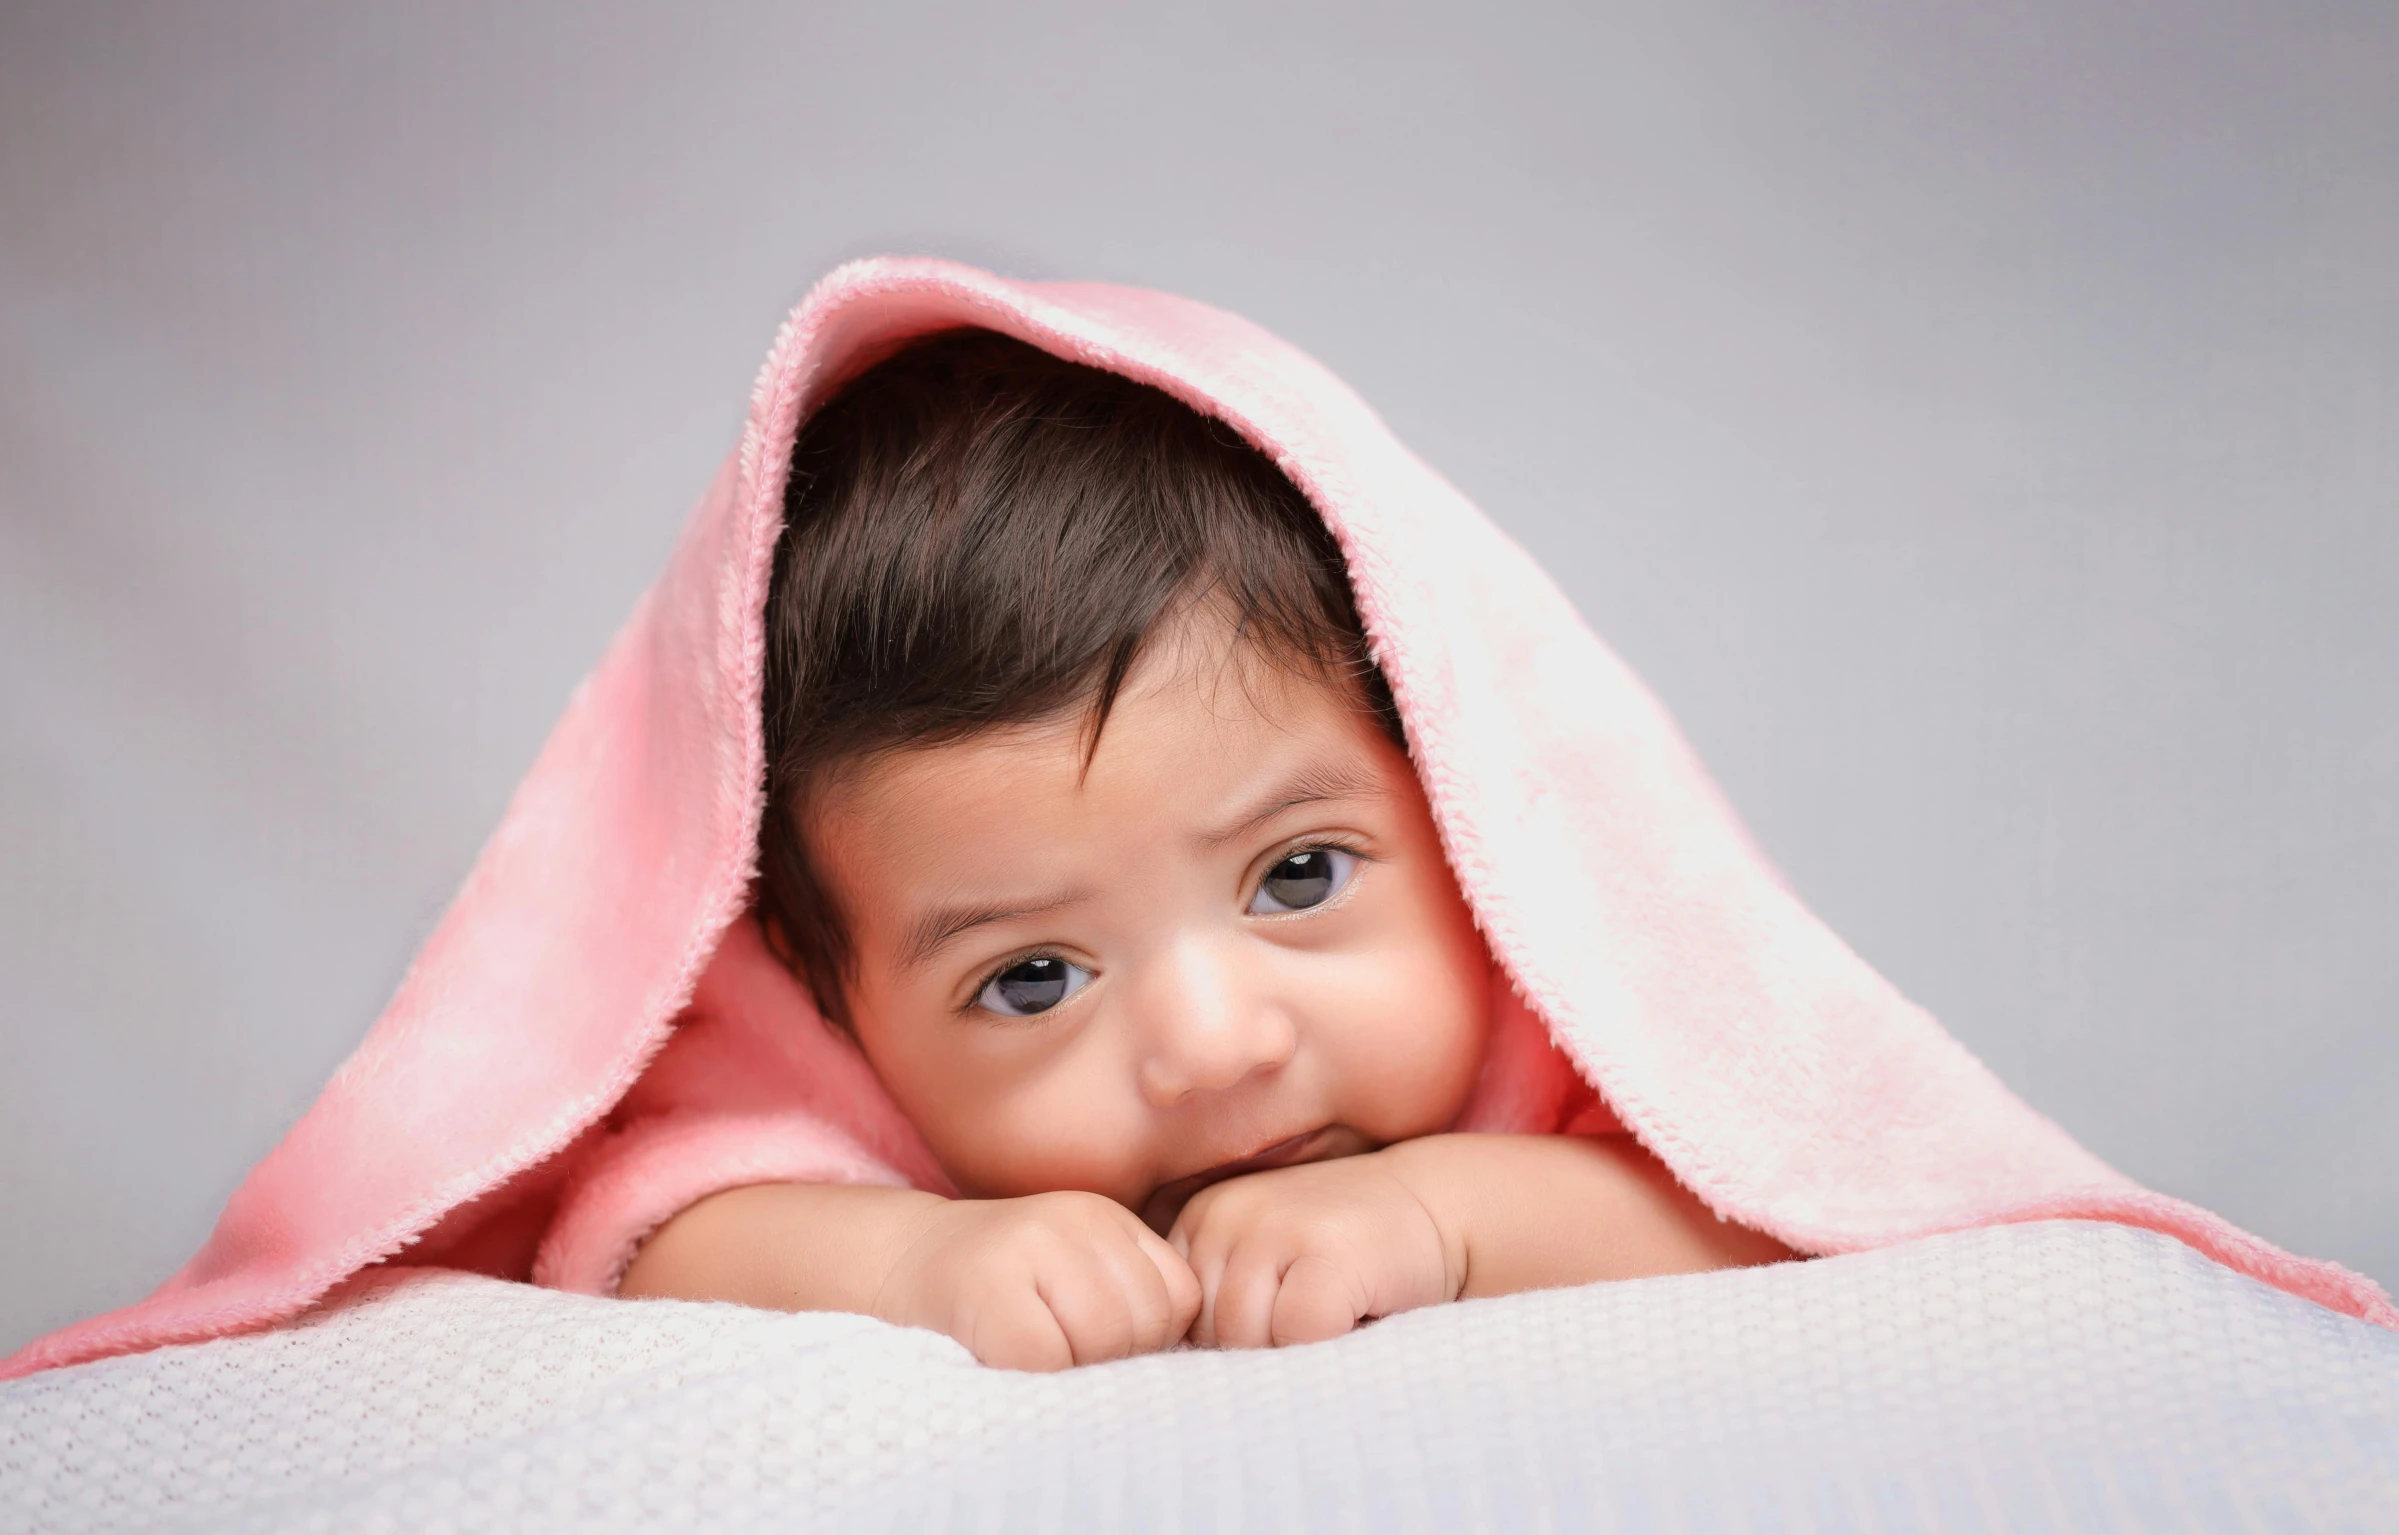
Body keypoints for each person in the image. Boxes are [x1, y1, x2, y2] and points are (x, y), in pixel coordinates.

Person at [603, 330, 1790, 1369]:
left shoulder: (1567, 1010)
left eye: (1296, 874)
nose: (1212, 1047)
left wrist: (1445, 1214)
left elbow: (1770, 1210)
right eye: (1032, 978)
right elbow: (648, 1241)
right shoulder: (830, 1084)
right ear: (827, 998)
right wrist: (913, 1256)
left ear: (1449, 790)